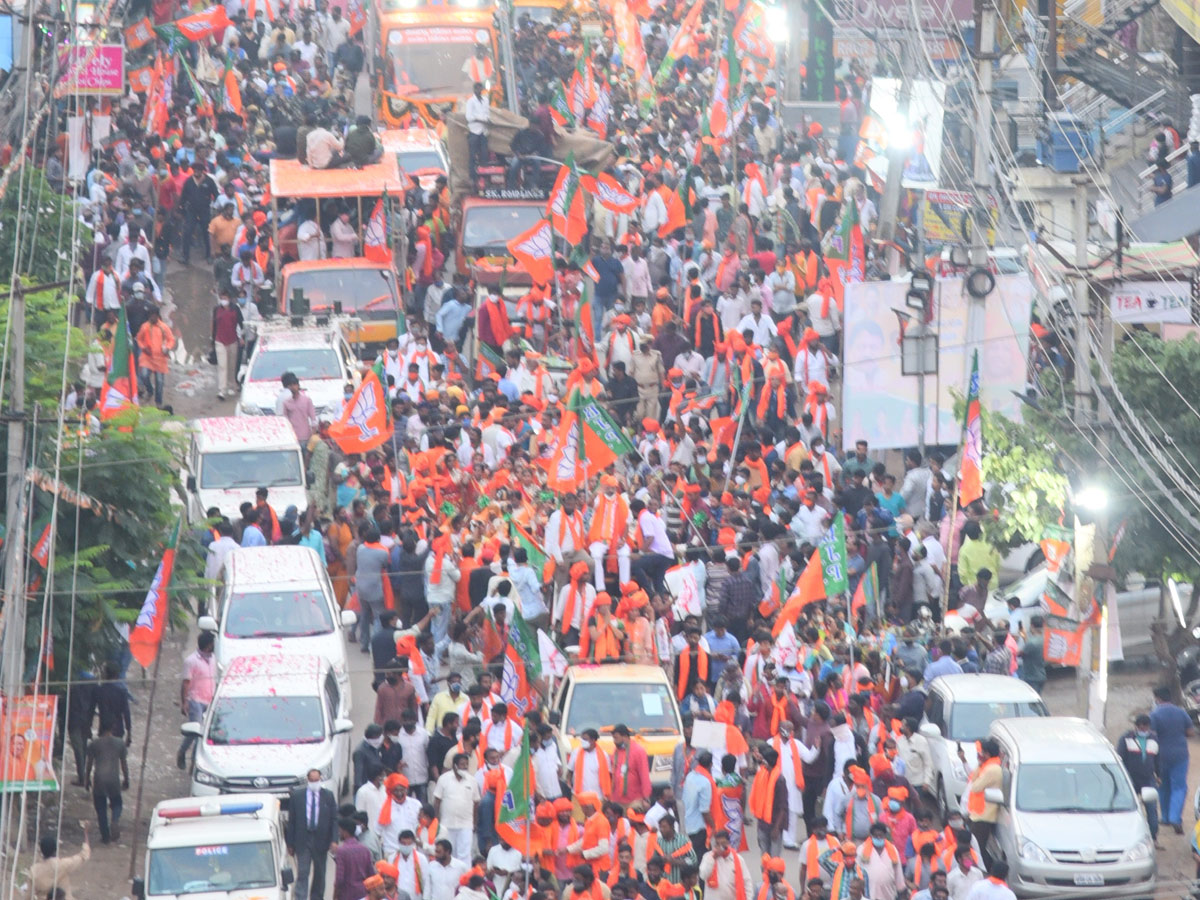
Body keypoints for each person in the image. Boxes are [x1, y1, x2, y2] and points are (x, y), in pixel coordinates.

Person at [286, 768, 337, 900]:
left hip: (321, 839)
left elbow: (334, 819)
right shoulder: (297, 796)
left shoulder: (328, 796)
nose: (314, 782)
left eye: (317, 780)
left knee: (320, 873)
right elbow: (292, 821)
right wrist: (290, 843)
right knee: (303, 872)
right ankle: (300, 897)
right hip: (303, 839)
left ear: (320, 779)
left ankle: (317, 897)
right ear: (308, 780)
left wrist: (334, 840)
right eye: (312, 780)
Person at [1150, 683, 1193, 833]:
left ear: (1158, 698)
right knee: (1179, 787)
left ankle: (1166, 817)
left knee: (1163, 786)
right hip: (1180, 755)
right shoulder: (1181, 712)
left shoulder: (1154, 715)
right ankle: (1176, 818)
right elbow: (1190, 732)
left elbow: (1151, 735)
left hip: (1161, 756)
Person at [1117, 714, 1159, 844]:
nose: (1142, 729)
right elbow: (1120, 758)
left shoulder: (1154, 739)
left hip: (1148, 779)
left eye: (1144, 726)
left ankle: (1153, 838)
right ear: (1135, 726)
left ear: (1148, 726)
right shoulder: (1126, 738)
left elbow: (1158, 759)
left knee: (1152, 810)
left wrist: (1159, 775)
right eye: (1139, 726)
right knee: (1127, 809)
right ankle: (1126, 838)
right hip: (1130, 780)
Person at [177, 631, 217, 770]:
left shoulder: (213, 659)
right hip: (195, 700)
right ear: (208, 645)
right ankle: (187, 757)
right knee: (196, 733)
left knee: (202, 734)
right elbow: (186, 683)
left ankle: (191, 761)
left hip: (209, 700)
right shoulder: (191, 661)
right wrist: (184, 702)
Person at [85, 721, 129, 843]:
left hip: (99, 779)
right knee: (117, 803)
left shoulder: (94, 744)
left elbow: (89, 764)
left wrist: (86, 779)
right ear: (113, 727)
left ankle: (105, 837)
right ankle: (115, 819)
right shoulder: (119, 743)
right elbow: (124, 764)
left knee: (101, 808)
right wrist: (126, 779)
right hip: (114, 778)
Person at [962, 737, 1002, 865]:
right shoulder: (986, 767)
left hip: (984, 815)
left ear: (988, 754)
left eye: (982, 752)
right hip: (978, 812)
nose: (980, 755)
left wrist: (980, 768)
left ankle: (985, 868)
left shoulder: (992, 770)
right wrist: (979, 766)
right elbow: (973, 779)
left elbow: (975, 787)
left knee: (977, 847)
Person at [23, 826, 90, 900]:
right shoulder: (63, 865)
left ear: (41, 851)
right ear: (55, 850)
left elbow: (28, 895)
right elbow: (84, 855)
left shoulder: (34, 870)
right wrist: (86, 833)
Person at [135, 304, 175, 407]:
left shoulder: (164, 327)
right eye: (151, 316)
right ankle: (150, 390)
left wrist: (167, 348)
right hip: (147, 357)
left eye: (154, 316)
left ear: (157, 316)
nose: (152, 318)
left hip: (160, 358)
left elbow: (171, 339)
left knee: (160, 381)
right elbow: (139, 339)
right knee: (144, 375)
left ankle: (158, 402)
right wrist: (143, 347)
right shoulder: (145, 327)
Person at [333, 817, 376, 900]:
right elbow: (371, 874)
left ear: (345, 832)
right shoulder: (365, 850)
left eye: (340, 831)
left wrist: (335, 896)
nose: (339, 833)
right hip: (363, 893)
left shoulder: (342, 851)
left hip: (347, 894)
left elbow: (339, 879)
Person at [464, 81, 490, 185]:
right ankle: (472, 177)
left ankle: (484, 177)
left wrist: (486, 120)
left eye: (480, 89)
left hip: (483, 131)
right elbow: (469, 117)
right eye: (477, 89)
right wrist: (480, 120)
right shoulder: (470, 101)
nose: (479, 91)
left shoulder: (485, 100)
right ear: (474, 90)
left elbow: (487, 114)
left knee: (484, 154)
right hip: (474, 131)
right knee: (472, 155)